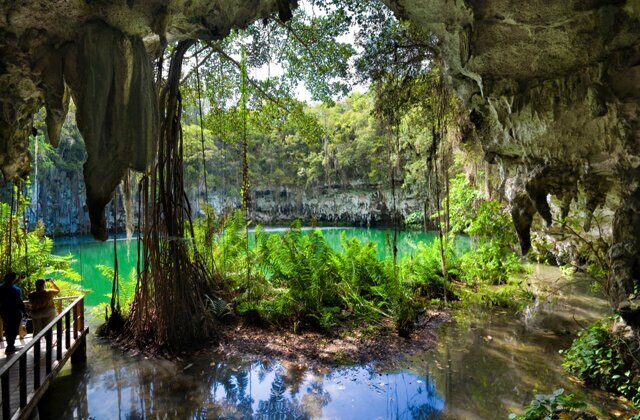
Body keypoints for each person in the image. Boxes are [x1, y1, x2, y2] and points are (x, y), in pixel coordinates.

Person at [0, 272, 26, 355]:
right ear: (13, 279)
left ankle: (10, 346)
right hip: (15, 312)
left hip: (4, 312)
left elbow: (7, 286)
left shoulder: (1, 287)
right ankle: (10, 347)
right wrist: (24, 311)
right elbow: (19, 302)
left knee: (8, 329)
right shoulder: (16, 289)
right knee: (14, 329)